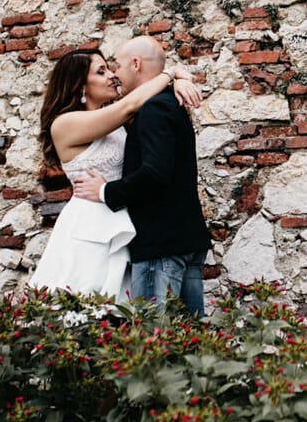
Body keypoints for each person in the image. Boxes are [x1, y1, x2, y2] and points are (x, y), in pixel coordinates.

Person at [27, 47, 199, 299]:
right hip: (90, 226)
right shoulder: (64, 124)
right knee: (86, 304)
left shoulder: (114, 121)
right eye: (101, 71)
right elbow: (130, 105)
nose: (112, 76)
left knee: (124, 311)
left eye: (110, 68)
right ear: (80, 85)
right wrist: (172, 73)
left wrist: (182, 81)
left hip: (121, 218)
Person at [73, 36, 213, 316]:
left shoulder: (153, 109)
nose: (115, 75)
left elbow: (154, 174)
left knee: (154, 342)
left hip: (160, 243)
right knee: (189, 341)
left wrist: (105, 191)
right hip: (184, 238)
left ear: (136, 64)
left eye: (117, 66)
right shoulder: (168, 103)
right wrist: (175, 76)